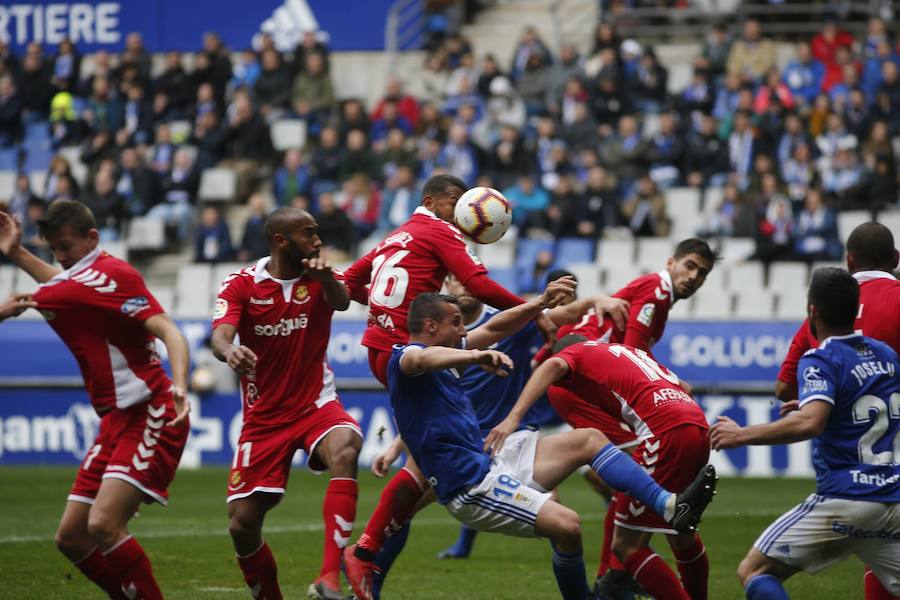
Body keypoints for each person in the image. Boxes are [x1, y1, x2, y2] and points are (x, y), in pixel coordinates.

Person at [343, 292, 718, 600]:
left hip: (490, 456)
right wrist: (476, 355)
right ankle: (365, 556)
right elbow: (423, 356)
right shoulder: (405, 357)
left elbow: (493, 326)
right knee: (568, 526)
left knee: (589, 440)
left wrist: (539, 304)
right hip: (471, 485)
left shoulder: (447, 355)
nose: (464, 330)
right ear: (430, 326)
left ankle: (668, 504)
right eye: (456, 323)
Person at [340, 175, 562, 568]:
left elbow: (352, 282)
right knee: (438, 460)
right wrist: (537, 310)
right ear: (431, 201)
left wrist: (385, 309)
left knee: (427, 460)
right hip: (409, 351)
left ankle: (367, 554)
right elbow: (479, 284)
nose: (462, 210)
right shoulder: (440, 232)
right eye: (455, 200)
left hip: (383, 347)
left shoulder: (398, 235)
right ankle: (364, 552)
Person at [362, 274, 630, 598]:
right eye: (457, 283)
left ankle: (616, 569)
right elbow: (425, 404)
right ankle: (368, 585)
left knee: (559, 515)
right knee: (399, 511)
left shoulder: (503, 323)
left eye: (470, 281)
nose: (464, 288)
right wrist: (395, 446)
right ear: (446, 292)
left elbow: (564, 315)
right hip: (459, 447)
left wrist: (596, 300)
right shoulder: (442, 347)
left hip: (508, 440)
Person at [0, 201, 190, 599]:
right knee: (71, 537)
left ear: (93, 237)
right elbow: (67, 286)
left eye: (66, 247)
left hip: (150, 408)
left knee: (103, 524)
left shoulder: (116, 274)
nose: (61, 256)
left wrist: (181, 384)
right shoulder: (80, 279)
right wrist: (16, 253)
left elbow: (170, 331)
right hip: (115, 421)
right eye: (55, 250)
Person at [536, 237, 717, 598]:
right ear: (672, 262)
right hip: (578, 380)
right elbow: (634, 350)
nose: (694, 277)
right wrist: (672, 379)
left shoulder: (656, 293)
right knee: (640, 474)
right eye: (690, 266)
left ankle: (617, 573)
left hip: (580, 379)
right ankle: (615, 575)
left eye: (703, 274)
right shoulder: (657, 289)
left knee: (635, 479)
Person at [711, 268, 900, 600]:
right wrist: (833, 402)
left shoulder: (820, 358)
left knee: (754, 571)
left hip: (847, 499)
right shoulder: (887, 355)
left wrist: (741, 435)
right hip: (893, 501)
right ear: (856, 309)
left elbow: (810, 423)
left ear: (812, 311)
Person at [210, 207, 362, 600]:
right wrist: (229, 352)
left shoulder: (321, 277)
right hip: (264, 419)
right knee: (242, 526)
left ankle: (329, 579)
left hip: (316, 403)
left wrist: (326, 279)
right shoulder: (241, 284)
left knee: (346, 446)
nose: (317, 241)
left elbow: (342, 301)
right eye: (307, 234)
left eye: (316, 233)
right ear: (281, 241)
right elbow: (220, 336)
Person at [491, 334, 713, 600]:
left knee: (626, 547)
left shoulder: (576, 354)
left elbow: (551, 366)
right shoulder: (622, 351)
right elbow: (685, 388)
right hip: (697, 425)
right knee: (681, 534)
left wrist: (512, 418)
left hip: (664, 433)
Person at [774, 222, 899, 599]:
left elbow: (783, 388)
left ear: (849, 261)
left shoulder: (825, 311)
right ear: (895, 259)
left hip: (850, 468)